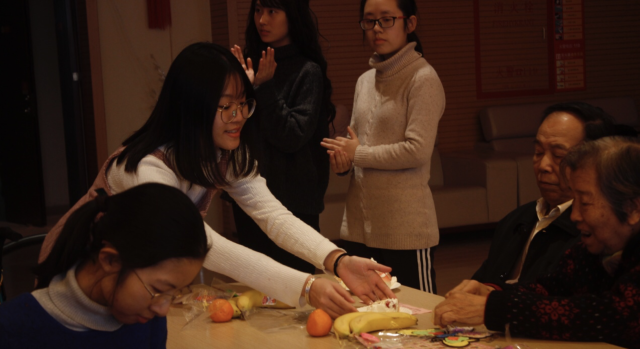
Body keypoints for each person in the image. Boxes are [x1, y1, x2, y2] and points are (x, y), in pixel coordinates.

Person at [39, 42, 395, 319]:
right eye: (225, 106)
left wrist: (337, 260)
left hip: (136, 294)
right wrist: (305, 286)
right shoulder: (143, 169)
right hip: (77, 288)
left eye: (243, 103)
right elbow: (205, 244)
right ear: (191, 107)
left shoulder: (222, 154)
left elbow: (272, 215)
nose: (238, 116)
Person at [0, 183, 208, 349]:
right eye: (159, 290)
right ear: (110, 260)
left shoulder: (145, 320)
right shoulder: (13, 330)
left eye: (174, 294)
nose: (163, 309)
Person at [434, 136, 640, 349]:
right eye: (574, 201)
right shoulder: (590, 251)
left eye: (585, 202)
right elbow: (549, 288)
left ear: (633, 209)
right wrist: (492, 293)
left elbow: (615, 316)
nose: (574, 215)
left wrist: (493, 308)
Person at [320, 0, 445, 294]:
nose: (376, 29)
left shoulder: (423, 78)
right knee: (364, 314)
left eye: (386, 19)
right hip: (359, 229)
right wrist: (344, 161)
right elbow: (356, 145)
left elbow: (417, 150)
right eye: (369, 21)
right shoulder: (364, 81)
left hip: (406, 231)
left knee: (418, 314)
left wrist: (358, 154)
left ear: (409, 23)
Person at [228, 0, 336, 275]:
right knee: (254, 286)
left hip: (294, 201)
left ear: (293, 16)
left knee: (296, 289)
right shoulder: (249, 65)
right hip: (249, 193)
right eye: (258, 10)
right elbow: (231, 127)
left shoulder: (307, 70)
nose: (262, 20)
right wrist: (236, 91)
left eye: (272, 11)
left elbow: (291, 136)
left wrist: (264, 88)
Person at [471, 102, 615, 288]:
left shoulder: (595, 232)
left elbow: (562, 299)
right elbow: (483, 280)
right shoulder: (516, 219)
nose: (543, 166)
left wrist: (494, 298)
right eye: (538, 152)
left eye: (558, 155)